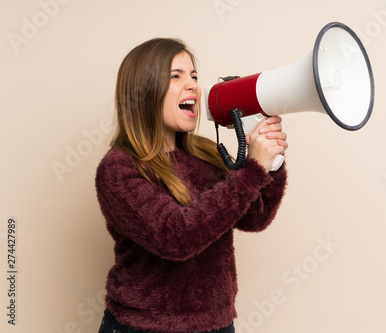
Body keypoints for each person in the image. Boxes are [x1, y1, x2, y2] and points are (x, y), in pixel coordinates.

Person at [95, 38, 288, 333]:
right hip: (145, 327)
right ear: (143, 91)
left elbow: (254, 219)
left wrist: (270, 162)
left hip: (217, 324)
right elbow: (176, 238)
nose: (194, 86)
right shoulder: (119, 168)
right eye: (176, 76)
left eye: (194, 76)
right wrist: (253, 169)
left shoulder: (205, 153)